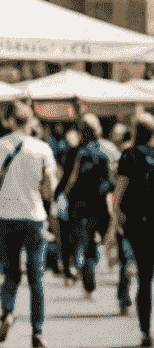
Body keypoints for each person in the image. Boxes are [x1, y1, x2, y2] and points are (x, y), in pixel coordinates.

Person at [0, 99, 59, 348]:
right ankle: (37, 332)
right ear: (30, 121)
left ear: (8, 121)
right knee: (36, 277)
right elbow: (49, 191)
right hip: (34, 217)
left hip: (6, 216)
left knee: (11, 274)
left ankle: (7, 313)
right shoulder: (42, 149)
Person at [109, 112, 154, 347]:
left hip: (136, 224)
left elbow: (120, 189)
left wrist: (116, 217)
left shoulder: (128, 155)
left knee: (144, 277)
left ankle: (146, 331)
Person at [61, 114, 116, 299]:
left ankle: (88, 285)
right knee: (101, 242)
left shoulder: (74, 153)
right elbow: (109, 182)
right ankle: (105, 269)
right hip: (98, 205)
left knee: (85, 245)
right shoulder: (103, 153)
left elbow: (67, 179)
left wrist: (60, 196)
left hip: (78, 206)